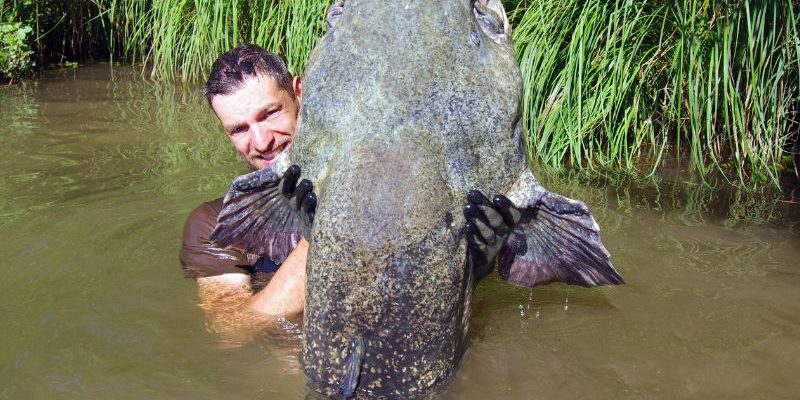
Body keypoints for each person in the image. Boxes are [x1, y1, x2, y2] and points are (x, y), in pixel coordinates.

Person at [180, 44, 308, 343]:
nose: (262, 142)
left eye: (270, 113)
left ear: (298, 93)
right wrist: (319, 237)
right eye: (240, 129)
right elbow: (232, 328)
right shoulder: (215, 224)